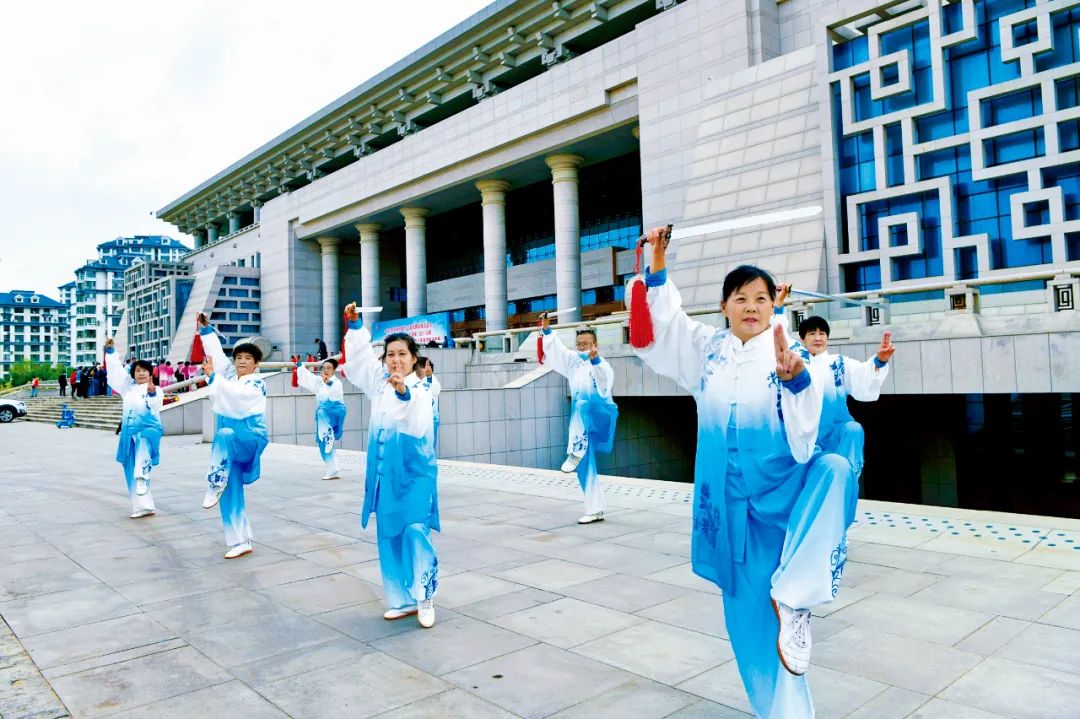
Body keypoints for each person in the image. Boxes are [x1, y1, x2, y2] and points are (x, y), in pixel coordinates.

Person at [632, 226, 857, 719]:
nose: (751, 306)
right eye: (740, 298)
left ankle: (796, 596)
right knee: (746, 627)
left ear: (775, 305)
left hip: (779, 503)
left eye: (761, 298)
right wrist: (658, 262)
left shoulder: (792, 358)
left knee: (837, 469)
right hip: (730, 511)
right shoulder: (707, 350)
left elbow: (804, 439)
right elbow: (663, 327)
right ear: (724, 306)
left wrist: (796, 382)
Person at [342, 302, 440, 628]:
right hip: (384, 472)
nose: (395, 360)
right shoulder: (380, 383)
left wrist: (402, 395)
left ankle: (424, 595)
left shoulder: (422, 389)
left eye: (402, 354)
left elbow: (416, 421)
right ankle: (400, 599)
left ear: (414, 358)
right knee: (388, 535)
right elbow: (358, 362)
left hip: (414, 475)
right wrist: (356, 326)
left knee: (414, 529)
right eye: (390, 354)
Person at [772, 293, 895, 527]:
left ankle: (845, 483)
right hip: (806, 437)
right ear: (802, 338)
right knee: (805, 488)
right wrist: (778, 306)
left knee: (853, 429)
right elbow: (778, 334)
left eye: (822, 333)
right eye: (812, 333)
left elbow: (863, 377)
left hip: (837, 434)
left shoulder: (838, 362)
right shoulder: (797, 360)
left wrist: (879, 361)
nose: (818, 338)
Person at [197, 312, 269, 559]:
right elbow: (216, 355)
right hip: (228, 448)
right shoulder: (230, 377)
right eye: (239, 357)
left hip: (249, 439)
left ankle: (215, 478)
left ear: (256, 364)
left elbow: (239, 400)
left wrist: (213, 378)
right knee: (230, 491)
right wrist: (205, 331)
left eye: (248, 358)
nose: (242, 361)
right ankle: (240, 540)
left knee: (225, 432)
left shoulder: (256, 383)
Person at [539, 318, 618, 525]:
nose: (582, 347)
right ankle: (595, 508)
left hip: (600, 413)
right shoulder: (574, 361)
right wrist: (547, 330)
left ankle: (575, 449)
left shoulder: (602, 363)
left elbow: (605, 382)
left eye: (586, 343)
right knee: (585, 465)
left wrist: (596, 361)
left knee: (582, 404)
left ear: (595, 345)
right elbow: (557, 351)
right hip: (582, 421)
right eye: (580, 344)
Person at [104, 337, 160, 519]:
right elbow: (114, 373)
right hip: (128, 435)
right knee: (130, 469)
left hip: (147, 433)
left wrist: (151, 394)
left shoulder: (156, 389)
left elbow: (155, 406)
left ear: (151, 374)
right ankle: (143, 506)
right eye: (138, 371)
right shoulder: (127, 388)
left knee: (140, 467)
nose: (141, 373)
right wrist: (111, 352)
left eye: (144, 371)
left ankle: (143, 488)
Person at [294, 357, 347, 480]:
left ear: (334, 370)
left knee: (326, 438)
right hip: (323, 416)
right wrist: (301, 368)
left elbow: (335, 396)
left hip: (333, 413)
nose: (325, 370)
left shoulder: (336, 382)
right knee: (323, 442)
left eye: (328, 368)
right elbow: (308, 377)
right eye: (323, 368)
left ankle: (332, 469)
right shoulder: (319, 381)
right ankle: (333, 469)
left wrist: (328, 383)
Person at [415, 357, 441, 446]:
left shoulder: (432, 379)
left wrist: (429, 377)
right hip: (418, 420)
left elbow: (434, 392)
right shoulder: (415, 380)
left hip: (431, 420)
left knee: (428, 447)